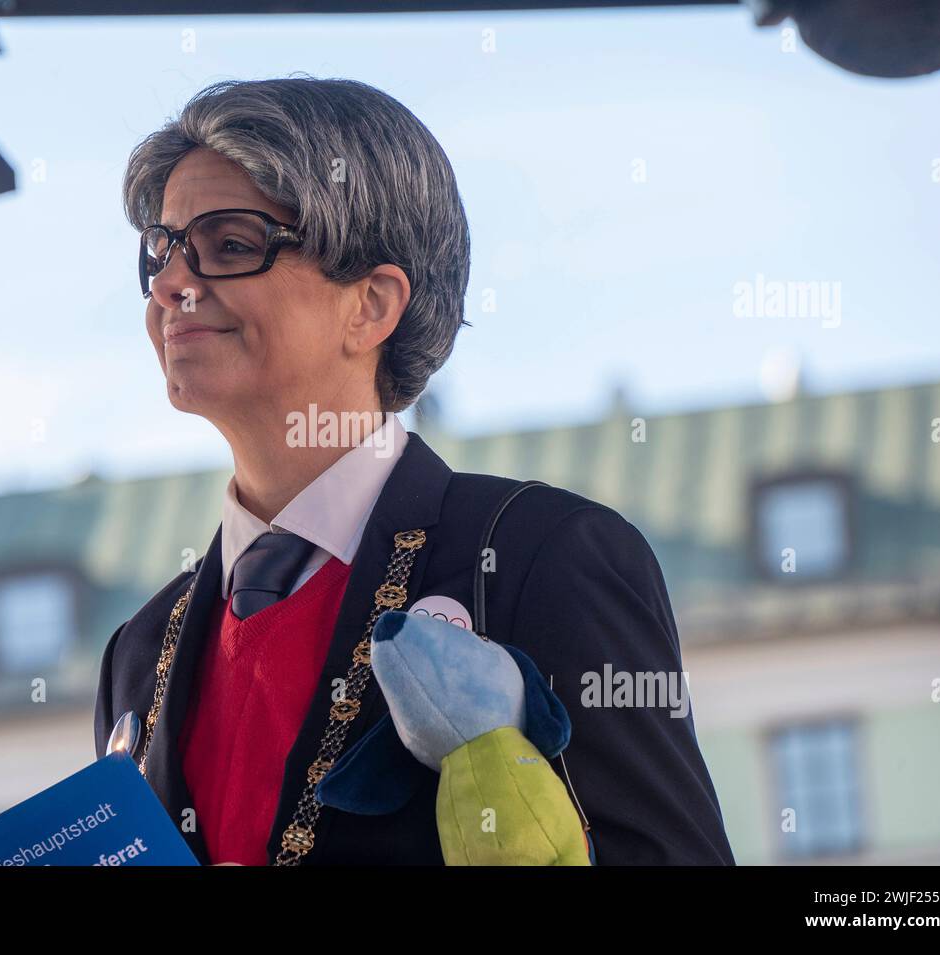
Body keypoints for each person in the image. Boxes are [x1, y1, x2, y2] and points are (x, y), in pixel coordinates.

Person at [94, 75, 734, 866]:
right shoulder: (138, 649)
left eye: (229, 245)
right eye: (161, 249)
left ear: (371, 304)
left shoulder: (546, 559)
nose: (168, 285)